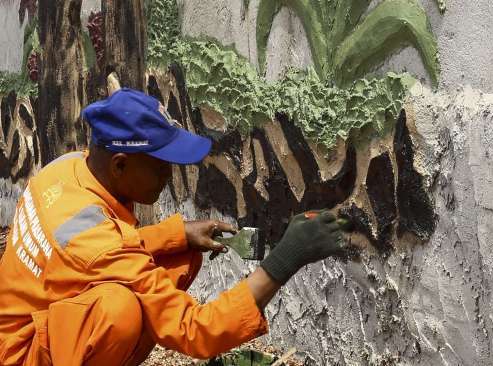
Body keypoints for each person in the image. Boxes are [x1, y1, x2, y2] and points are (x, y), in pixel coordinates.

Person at [0, 88, 344, 365]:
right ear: (120, 165)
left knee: (177, 255)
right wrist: (286, 259)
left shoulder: (69, 168)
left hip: (29, 319)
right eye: (161, 165)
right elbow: (196, 330)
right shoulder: (94, 243)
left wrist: (175, 234)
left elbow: (96, 249)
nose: (169, 176)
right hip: (18, 354)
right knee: (118, 313)